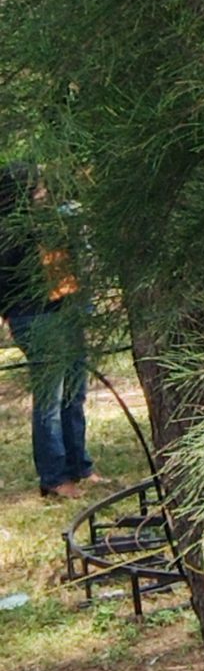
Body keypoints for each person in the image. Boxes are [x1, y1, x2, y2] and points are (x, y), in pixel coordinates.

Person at [2, 165, 90, 497]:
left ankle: (80, 466)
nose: (42, 194)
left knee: (75, 391)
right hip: (33, 316)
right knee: (50, 398)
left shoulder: (51, 221)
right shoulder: (11, 232)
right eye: (36, 189)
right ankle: (54, 478)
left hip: (65, 307)